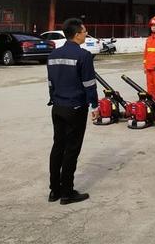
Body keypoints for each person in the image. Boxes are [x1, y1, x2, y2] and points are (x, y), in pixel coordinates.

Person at [47, 18, 98, 205]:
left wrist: (55, 98)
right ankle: (67, 192)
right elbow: (89, 84)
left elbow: (51, 83)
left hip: (58, 107)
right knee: (71, 150)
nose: (86, 34)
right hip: (75, 108)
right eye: (84, 32)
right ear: (76, 34)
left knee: (58, 147)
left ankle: (54, 190)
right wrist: (95, 105)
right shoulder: (84, 55)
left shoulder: (53, 54)